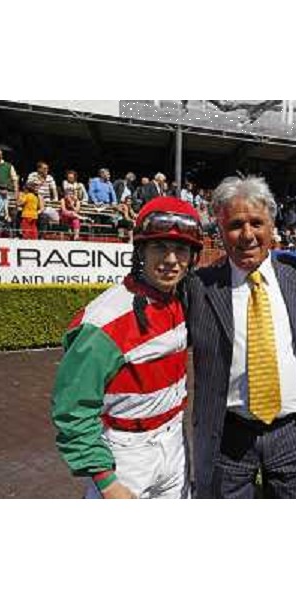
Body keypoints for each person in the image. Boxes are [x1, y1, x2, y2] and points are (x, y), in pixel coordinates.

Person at [51, 197, 204, 499]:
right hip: (126, 456)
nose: (172, 259)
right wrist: (106, 481)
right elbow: (72, 410)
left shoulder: (181, 299)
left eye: (181, 249)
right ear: (140, 251)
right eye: (160, 247)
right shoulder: (103, 323)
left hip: (175, 443)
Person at [187, 175, 296, 499]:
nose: (247, 235)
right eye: (235, 225)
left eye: (256, 223)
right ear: (219, 230)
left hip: (292, 432)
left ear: (272, 225)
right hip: (229, 436)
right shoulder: (198, 286)